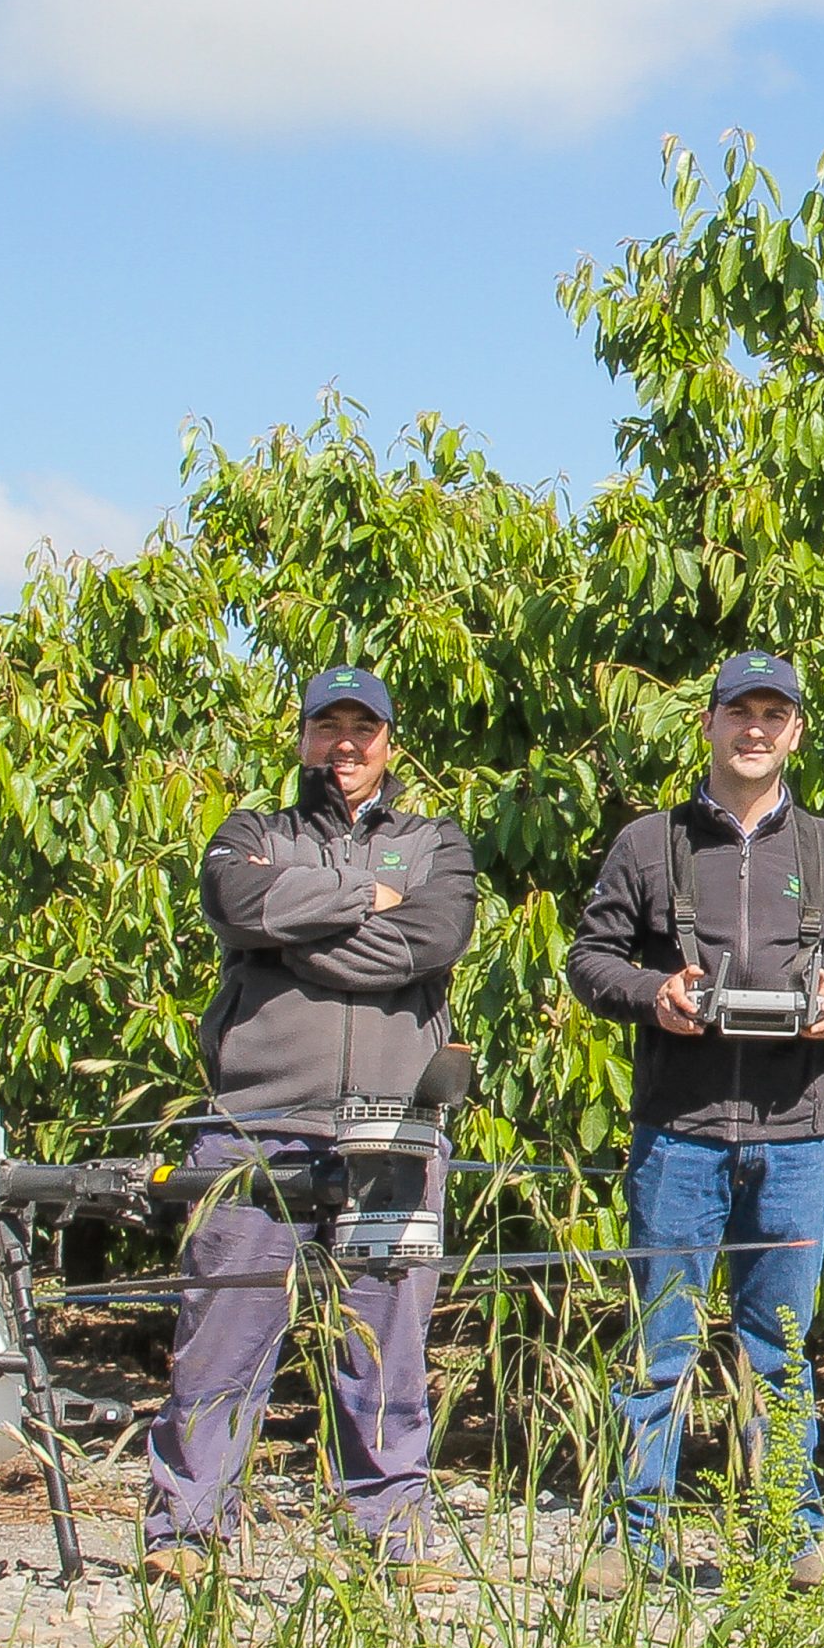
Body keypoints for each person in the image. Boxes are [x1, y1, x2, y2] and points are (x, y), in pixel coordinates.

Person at [143, 664, 479, 1590]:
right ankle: (188, 1527)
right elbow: (235, 904)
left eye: (362, 729)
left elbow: (430, 940)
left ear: (389, 742)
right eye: (327, 726)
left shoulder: (434, 842)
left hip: (390, 1121)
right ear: (300, 738)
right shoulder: (253, 833)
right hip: (255, 1119)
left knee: (386, 1328)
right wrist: (361, 900)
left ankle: (388, 1528)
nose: (345, 745)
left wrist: (293, 922)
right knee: (226, 1321)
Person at [567, 651, 824, 1590]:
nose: (754, 729)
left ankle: (788, 1534)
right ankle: (633, 1539)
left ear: (795, 732)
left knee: (783, 1348)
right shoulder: (649, 842)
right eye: (738, 712)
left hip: (796, 1133)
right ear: (708, 723)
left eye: (773, 714)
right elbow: (591, 960)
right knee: (658, 1339)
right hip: (680, 1130)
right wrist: (651, 992)